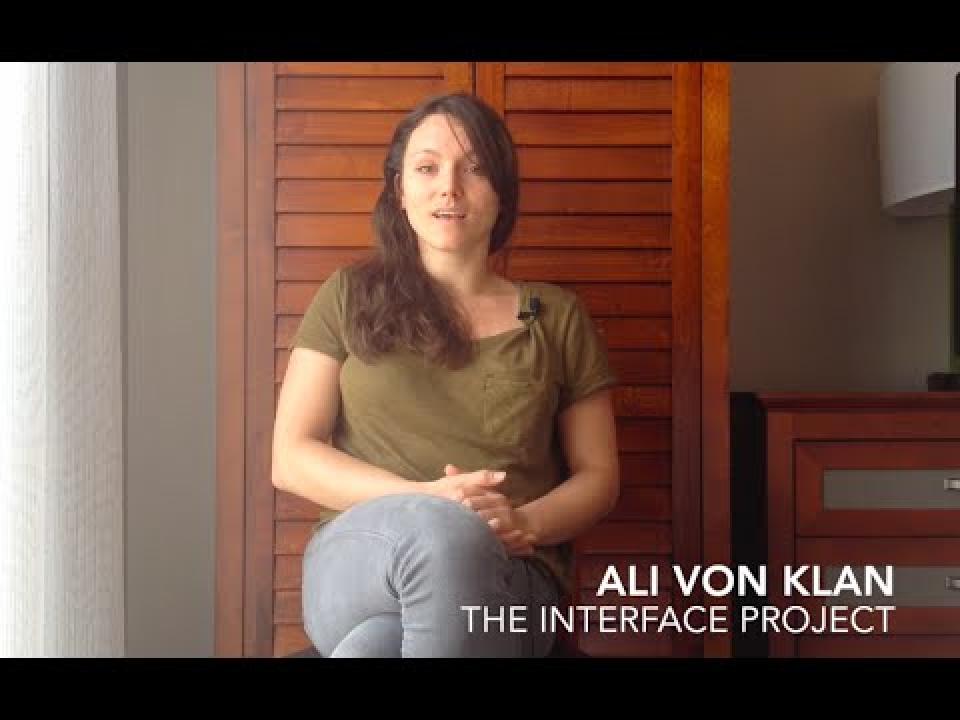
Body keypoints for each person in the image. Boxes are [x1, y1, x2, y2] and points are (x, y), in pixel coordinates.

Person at [272, 92, 619, 658]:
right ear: (399, 191)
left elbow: (599, 476)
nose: (449, 188)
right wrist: (428, 499)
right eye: (427, 168)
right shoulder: (345, 296)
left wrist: (523, 522)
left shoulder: (557, 317)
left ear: (501, 192)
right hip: (358, 563)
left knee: (377, 645)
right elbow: (290, 456)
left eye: (474, 169)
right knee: (441, 533)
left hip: (511, 575)